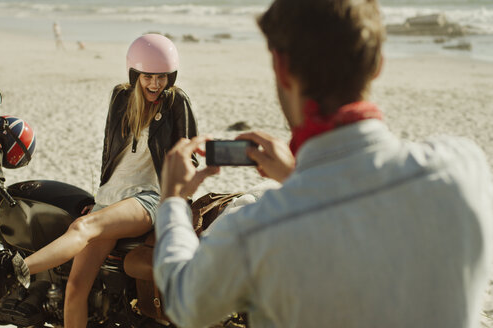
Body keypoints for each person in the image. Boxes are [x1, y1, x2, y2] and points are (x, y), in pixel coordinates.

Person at [153, 0, 493, 327]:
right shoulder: (463, 170)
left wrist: (171, 200)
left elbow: (186, 304)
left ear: (282, 69)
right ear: (377, 64)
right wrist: (296, 177)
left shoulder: (257, 231)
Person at [0, 33, 198, 328]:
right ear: (135, 73)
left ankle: (9, 270)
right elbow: (109, 152)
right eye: (148, 76)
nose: (155, 84)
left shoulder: (176, 103)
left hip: (148, 197)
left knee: (82, 226)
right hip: (111, 198)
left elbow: (189, 155)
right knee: (75, 290)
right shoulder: (121, 98)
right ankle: (12, 272)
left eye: (162, 77)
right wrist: (101, 198)